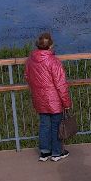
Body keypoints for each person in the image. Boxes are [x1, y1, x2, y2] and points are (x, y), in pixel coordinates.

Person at [25, 32, 71, 161]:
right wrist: (66, 103)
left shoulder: (30, 60)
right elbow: (61, 85)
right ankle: (57, 153)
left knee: (44, 125)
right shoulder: (54, 62)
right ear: (50, 45)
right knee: (56, 126)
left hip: (39, 99)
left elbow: (27, 77)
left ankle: (44, 152)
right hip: (54, 100)